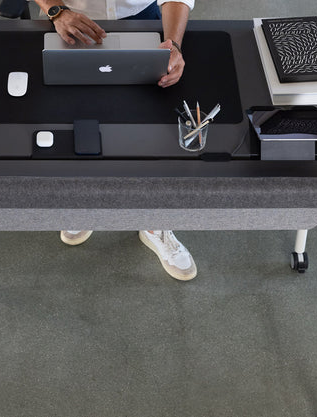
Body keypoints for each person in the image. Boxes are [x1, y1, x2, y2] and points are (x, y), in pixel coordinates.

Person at [32, 0, 198, 281]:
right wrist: (55, 10)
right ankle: (84, 205)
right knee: (71, 117)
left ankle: (155, 224)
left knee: (149, 123)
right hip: (66, 14)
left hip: (142, 13)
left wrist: (174, 44)